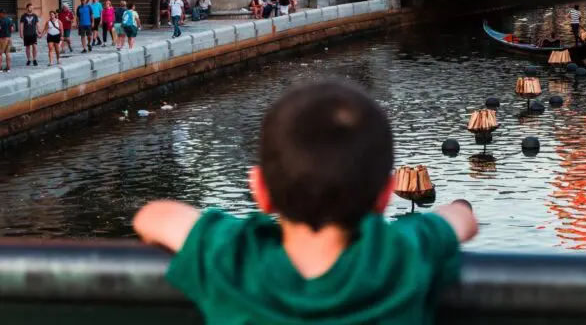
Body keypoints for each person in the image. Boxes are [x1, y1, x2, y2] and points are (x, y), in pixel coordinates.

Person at [132, 81, 478, 324]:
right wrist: (458, 208)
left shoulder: (232, 254)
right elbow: (462, 219)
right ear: (386, 195)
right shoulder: (403, 252)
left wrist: (228, 231)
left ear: (261, 191)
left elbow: (153, 216)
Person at [0, 9, 13, 73]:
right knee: (7, 53)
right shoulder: (9, 20)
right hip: (8, 38)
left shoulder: (0, 20)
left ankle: (0, 69)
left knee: (0, 53)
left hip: (1, 38)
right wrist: (9, 36)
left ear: (1, 13)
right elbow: (12, 29)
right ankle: (8, 68)